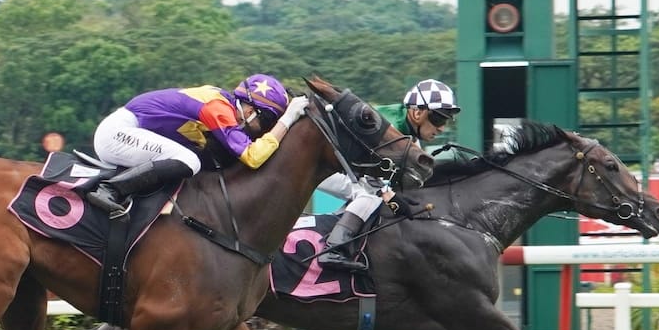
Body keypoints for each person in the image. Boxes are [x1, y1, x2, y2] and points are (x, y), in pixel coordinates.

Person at [71, 74, 308, 218]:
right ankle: (109, 190)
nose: (266, 129)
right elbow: (253, 157)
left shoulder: (223, 105)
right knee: (189, 161)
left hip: (128, 132)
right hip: (118, 134)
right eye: (267, 121)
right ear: (249, 110)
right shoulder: (219, 109)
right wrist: (287, 121)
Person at [314, 78, 460, 271]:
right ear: (417, 113)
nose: (442, 128)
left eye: (445, 121)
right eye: (438, 119)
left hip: (350, 170)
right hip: (327, 167)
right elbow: (373, 182)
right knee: (371, 196)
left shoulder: (411, 136)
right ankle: (333, 249)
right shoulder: (392, 127)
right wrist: (392, 200)